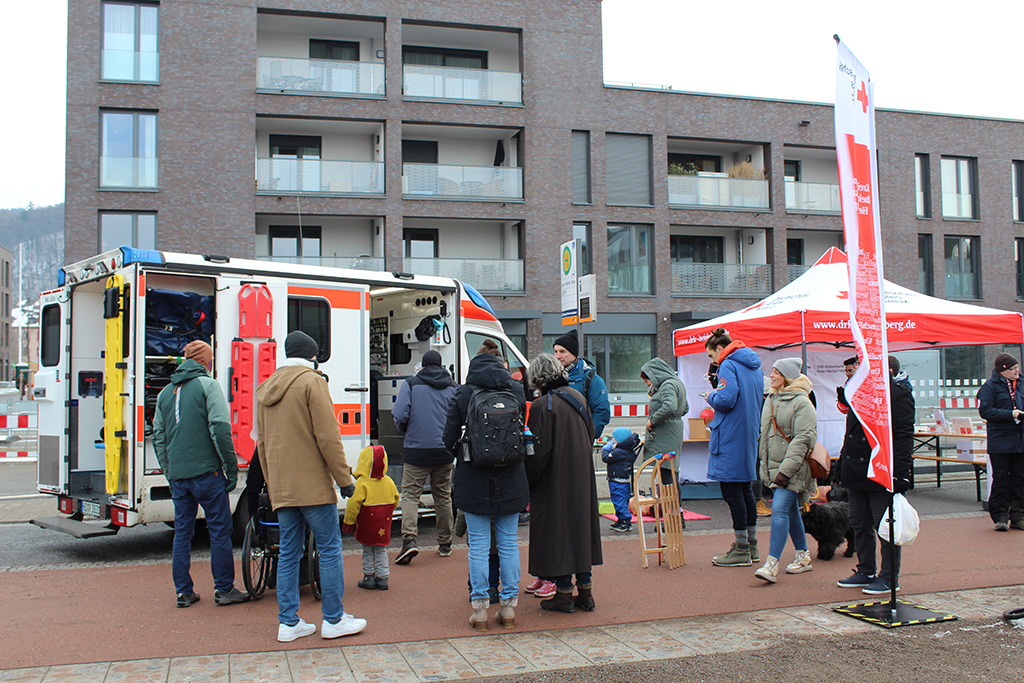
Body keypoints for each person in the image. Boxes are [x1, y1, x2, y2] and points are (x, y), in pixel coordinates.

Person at [257, 331, 366, 642]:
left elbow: (262, 445)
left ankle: (288, 623)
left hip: (282, 485)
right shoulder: (312, 381)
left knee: (288, 552)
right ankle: (333, 618)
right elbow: (327, 436)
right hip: (313, 486)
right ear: (313, 355)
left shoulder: (265, 387)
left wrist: (272, 481)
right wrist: (344, 480)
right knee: (330, 548)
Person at [152, 340, 250, 608]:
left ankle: (183, 592)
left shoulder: (165, 393)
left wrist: (170, 472)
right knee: (219, 530)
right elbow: (220, 428)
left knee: (182, 532)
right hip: (207, 473)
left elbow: (159, 436)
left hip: (179, 477)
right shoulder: (209, 386)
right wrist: (230, 468)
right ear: (207, 362)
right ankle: (224, 588)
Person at [443, 351, 528, 631]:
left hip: (473, 478)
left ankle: (480, 610)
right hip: (512, 478)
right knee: (508, 543)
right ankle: (509, 607)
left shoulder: (463, 393)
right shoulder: (515, 389)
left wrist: (469, 452)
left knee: (478, 545)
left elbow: (448, 438)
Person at [526, 353, 602, 613]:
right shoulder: (577, 396)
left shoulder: (543, 405)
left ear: (537, 378)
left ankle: (563, 595)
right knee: (580, 532)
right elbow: (591, 432)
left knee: (557, 534)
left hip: (554, 480)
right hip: (581, 475)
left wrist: (528, 482)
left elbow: (537, 454)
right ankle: (586, 592)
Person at [837, 355, 915, 594]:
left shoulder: (897, 393)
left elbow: (903, 436)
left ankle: (889, 577)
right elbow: (851, 431)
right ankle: (865, 570)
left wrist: (901, 473)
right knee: (859, 522)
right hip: (857, 469)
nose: (855, 371)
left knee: (886, 526)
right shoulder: (857, 390)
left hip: (881, 469)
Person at [702, 328, 763, 568]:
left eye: (710, 356)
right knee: (745, 490)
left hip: (730, 435)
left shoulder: (728, 364)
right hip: (747, 433)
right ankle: (751, 545)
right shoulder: (753, 365)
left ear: (719, 348)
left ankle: (740, 549)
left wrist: (710, 396)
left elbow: (726, 400)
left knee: (732, 493)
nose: (713, 361)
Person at [754, 358, 817, 583]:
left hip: (794, 469)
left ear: (787, 377)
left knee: (779, 510)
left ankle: (771, 564)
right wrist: (766, 466)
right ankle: (803, 556)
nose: (771, 376)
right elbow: (765, 436)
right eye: (772, 371)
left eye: (776, 372)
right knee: (790, 512)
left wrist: (785, 471)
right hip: (775, 468)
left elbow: (803, 439)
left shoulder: (802, 402)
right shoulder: (772, 398)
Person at [392, 349, 458, 565]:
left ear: (422, 365)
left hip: (416, 450)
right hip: (444, 451)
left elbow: (400, 413)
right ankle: (445, 543)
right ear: (440, 366)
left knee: (410, 495)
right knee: (442, 496)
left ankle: (409, 540)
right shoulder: (452, 387)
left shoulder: (411, 384)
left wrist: (406, 429)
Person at [976, 352, 1024, 533]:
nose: (1017, 371)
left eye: (1017, 367)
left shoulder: (1021, 383)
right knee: (1001, 479)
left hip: (1020, 440)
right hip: (1000, 442)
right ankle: (1000, 517)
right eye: (1013, 369)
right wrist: (1010, 414)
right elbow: (986, 411)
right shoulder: (989, 388)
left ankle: (1018, 516)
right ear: (1002, 371)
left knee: (1019, 479)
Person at [343, 445, 400, 591]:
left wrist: (348, 522)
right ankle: (383, 577)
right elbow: (396, 498)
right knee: (381, 550)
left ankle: (369, 577)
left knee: (367, 550)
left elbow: (353, 505)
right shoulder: (388, 482)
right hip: (383, 523)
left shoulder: (362, 484)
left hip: (367, 524)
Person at [640, 357, 688, 508]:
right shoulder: (676, 383)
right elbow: (684, 408)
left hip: (666, 435)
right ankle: (674, 514)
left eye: (648, 379)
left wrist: (652, 420)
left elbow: (669, 407)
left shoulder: (667, 386)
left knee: (667, 476)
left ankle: (671, 517)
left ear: (655, 375)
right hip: (672, 432)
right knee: (670, 473)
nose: (647, 383)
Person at [552, 329, 611, 440]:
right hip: (558, 440)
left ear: (573, 353)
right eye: (555, 352)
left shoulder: (591, 379)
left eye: (562, 351)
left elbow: (602, 411)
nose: (558, 356)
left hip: (579, 441)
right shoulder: (553, 376)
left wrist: (587, 437)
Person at [602, 427, 639, 532]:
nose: (612, 439)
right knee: (622, 499)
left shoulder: (618, 452)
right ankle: (622, 519)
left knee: (618, 500)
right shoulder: (628, 451)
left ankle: (624, 521)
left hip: (617, 479)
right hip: (624, 479)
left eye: (613, 438)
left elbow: (606, 458)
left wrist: (606, 449)